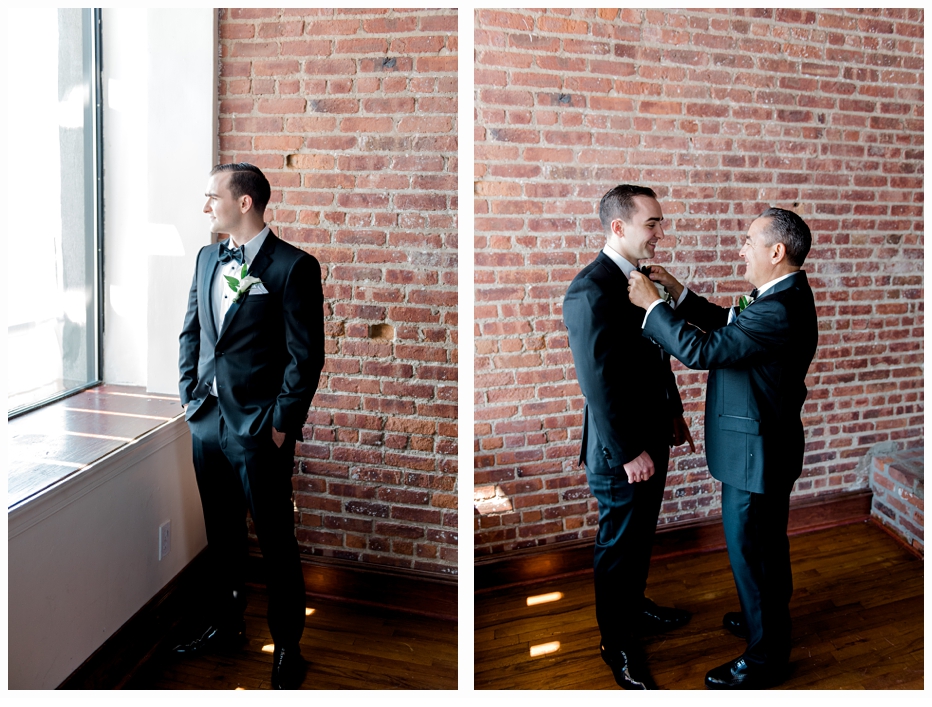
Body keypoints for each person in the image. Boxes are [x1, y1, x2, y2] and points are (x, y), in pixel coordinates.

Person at [628, 207, 818, 689]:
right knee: (766, 548)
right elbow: (726, 326)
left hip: (756, 456)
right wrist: (678, 293)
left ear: (776, 251)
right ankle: (763, 619)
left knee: (753, 553)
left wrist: (653, 308)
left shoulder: (779, 308)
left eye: (749, 240)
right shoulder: (781, 295)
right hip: (764, 449)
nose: (742, 249)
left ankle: (764, 659)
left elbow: (703, 351)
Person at [177, 162, 325, 689]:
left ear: (244, 202)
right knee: (221, 535)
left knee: (276, 539)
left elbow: (305, 358)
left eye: (212, 196)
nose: (205, 206)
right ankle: (225, 623)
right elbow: (192, 332)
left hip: (261, 431)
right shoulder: (204, 258)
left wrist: (281, 424)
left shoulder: (293, 267)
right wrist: (189, 399)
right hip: (207, 422)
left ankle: (287, 646)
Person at [562, 184, 695, 690]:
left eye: (660, 223)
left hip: (652, 434)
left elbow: (656, 355)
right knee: (617, 546)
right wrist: (627, 451)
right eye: (653, 223)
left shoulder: (642, 280)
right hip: (620, 451)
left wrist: (674, 413)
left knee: (640, 538)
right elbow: (596, 380)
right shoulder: (590, 288)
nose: (661, 233)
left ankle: (636, 609)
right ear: (619, 227)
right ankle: (614, 644)